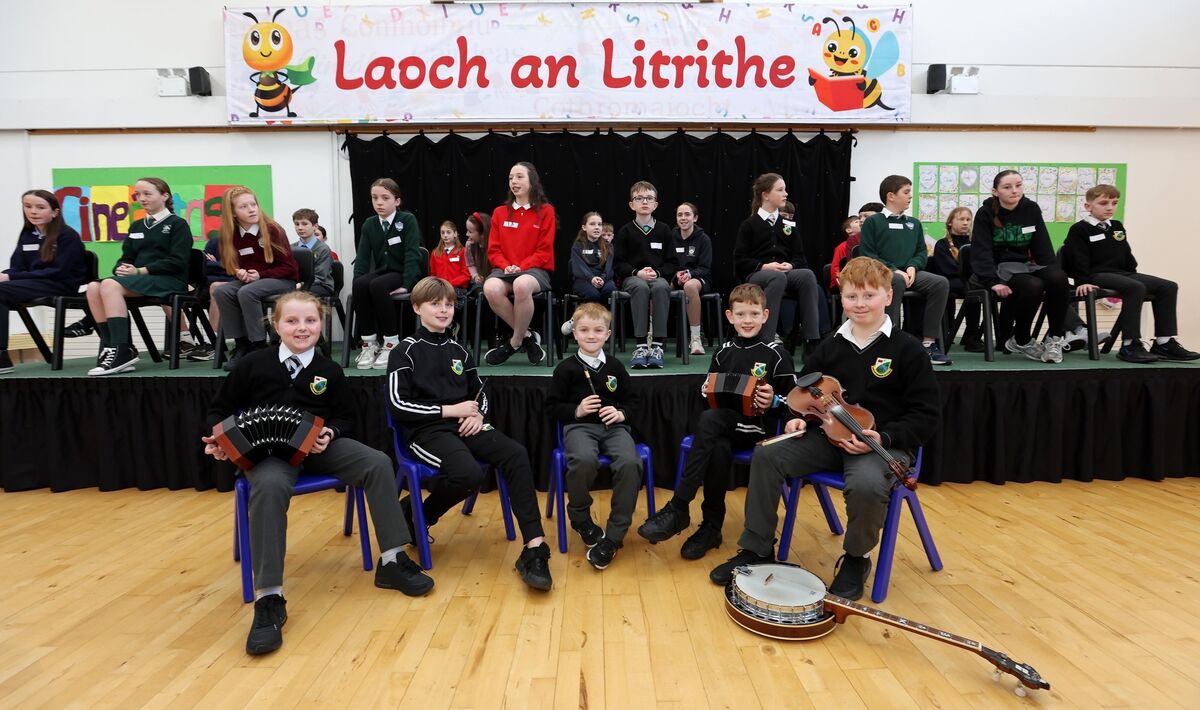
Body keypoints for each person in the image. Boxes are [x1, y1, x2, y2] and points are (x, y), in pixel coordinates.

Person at [203, 290, 432, 656]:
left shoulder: (329, 369)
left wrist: (332, 432)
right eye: (292, 321)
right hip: (270, 455)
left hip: (318, 449)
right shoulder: (252, 364)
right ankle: (269, 597)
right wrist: (219, 439)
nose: (302, 328)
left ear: (321, 325)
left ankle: (391, 560)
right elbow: (219, 411)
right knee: (269, 486)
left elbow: (346, 416)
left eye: (310, 320)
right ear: (275, 325)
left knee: (376, 462)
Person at [710, 257, 940, 601]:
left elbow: (926, 414)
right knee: (767, 455)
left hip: (882, 444)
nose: (859, 304)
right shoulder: (831, 344)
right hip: (828, 436)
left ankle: (856, 558)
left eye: (869, 295)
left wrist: (884, 437)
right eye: (851, 296)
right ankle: (757, 548)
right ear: (841, 298)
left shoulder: (908, 349)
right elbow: (805, 389)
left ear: (888, 296)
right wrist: (799, 415)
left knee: (866, 484)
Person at [387, 276, 554, 591]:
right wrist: (451, 411)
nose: (444, 310)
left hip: (466, 425)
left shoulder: (459, 350)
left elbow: (480, 394)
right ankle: (419, 514)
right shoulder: (404, 351)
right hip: (426, 431)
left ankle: (534, 547)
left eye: (449, 304)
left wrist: (478, 414)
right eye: (435, 304)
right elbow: (397, 405)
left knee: (515, 454)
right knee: (468, 474)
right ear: (416, 308)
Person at [637, 284, 794, 560]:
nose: (747, 320)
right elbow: (709, 395)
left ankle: (679, 505)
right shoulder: (723, 352)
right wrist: (704, 391)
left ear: (765, 315)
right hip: (726, 424)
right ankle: (711, 527)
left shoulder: (776, 353)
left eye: (754, 314)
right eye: (741, 314)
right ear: (730, 316)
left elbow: (794, 402)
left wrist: (774, 400)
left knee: (710, 422)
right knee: (717, 444)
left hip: (758, 428)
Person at [546, 302, 642, 569]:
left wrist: (621, 413)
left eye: (598, 330)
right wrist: (576, 410)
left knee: (631, 463)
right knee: (583, 460)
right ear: (575, 333)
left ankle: (614, 536)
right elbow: (551, 407)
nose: (591, 335)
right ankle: (580, 517)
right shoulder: (565, 369)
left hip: (615, 429)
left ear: (607, 334)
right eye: (585, 330)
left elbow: (634, 402)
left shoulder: (615, 366)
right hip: (579, 427)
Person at [1061, 185, 1199, 363]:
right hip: (1096, 274)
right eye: (1103, 203)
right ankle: (1130, 345)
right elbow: (1078, 258)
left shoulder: (1116, 226)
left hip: (1122, 273)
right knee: (1135, 287)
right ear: (1088, 206)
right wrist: (1082, 281)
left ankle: (1164, 343)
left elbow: (1126, 254)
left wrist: (1132, 271)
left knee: (1168, 286)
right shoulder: (1079, 229)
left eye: (1114, 203)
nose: (1110, 207)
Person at [84, 177, 192, 376]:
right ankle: (111, 346)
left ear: (165, 196)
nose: (141, 198)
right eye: (138, 194)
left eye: (147, 194)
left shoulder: (178, 224)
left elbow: (178, 261)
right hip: (141, 280)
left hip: (169, 280)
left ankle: (122, 349)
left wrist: (141, 271)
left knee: (109, 285)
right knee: (93, 287)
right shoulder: (136, 226)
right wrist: (121, 268)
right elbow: (127, 257)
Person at [970, 170, 1070, 363]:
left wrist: (1052, 271)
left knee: (1058, 278)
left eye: (1018, 185)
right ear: (995, 191)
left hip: (1024, 265)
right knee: (1033, 286)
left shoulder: (1031, 209)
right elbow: (980, 251)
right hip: (999, 267)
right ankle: (1021, 339)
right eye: (1007, 187)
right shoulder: (985, 213)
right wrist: (992, 282)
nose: (1014, 190)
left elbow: (1042, 245)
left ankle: (1054, 339)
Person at [859, 175, 953, 365]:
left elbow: (921, 252)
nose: (911, 196)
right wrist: (893, 269)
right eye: (906, 192)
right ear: (891, 196)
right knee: (896, 280)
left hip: (910, 273)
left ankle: (928, 343)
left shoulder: (914, 223)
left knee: (940, 283)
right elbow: (868, 254)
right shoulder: (873, 222)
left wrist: (913, 266)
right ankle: (890, 340)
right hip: (882, 273)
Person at [212, 186, 300, 371]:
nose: (251, 209)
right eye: (243, 206)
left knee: (247, 292)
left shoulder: (272, 230)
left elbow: (290, 268)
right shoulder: (230, 234)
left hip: (282, 279)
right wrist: (239, 272)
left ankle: (259, 345)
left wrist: (261, 275)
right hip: (254, 281)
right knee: (222, 291)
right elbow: (232, 265)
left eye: (253, 204)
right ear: (233, 213)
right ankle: (241, 344)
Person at [0, 190, 86, 375]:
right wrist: (6, 275)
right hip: (35, 283)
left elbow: (58, 271)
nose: (33, 211)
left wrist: (12, 278)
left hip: (59, 284)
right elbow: (17, 267)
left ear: (54, 212)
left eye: (40, 207)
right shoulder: (27, 234)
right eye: (28, 206)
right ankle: (2, 357)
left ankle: (1, 357)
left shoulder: (67, 235)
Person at [732, 173, 821, 348]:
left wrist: (791, 265)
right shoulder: (749, 225)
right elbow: (740, 259)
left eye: (785, 190)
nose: (785, 194)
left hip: (784, 273)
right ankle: (766, 340)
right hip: (758, 274)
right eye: (780, 190)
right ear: (766, 195)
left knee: (807, 275)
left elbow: (799, 256)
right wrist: (764, 266)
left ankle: (811, 339)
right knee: (777, 277)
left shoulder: (788, 225)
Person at [483, 162, 555, 366]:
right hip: (504, 269)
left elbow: (544, 250)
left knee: (521, 284)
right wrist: (506, 266)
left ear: (532, 181)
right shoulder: (499, 212)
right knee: (490, 288)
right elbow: (493, 250)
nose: (513, 181)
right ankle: (528, 337)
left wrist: (522, 267)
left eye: (519, 176)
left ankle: (514, 342)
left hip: (535, 270)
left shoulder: (546, 211)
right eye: (510, 177)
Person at [352, 178, 423, 370]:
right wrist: (358, 284)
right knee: (360, 284)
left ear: (397, 201)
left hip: (401, 273)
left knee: (377, 285)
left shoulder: (407, 220)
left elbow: (412, 254)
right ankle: (369, 343)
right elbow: (362, 258)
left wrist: (407, 284)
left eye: (385, 198)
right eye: (374, 198)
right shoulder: (369, 224)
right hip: (382, 273)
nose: (379, 202)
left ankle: (391, 342)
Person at [613, 181, 676, 369]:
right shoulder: (625, 231)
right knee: (640, 288)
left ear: (655, 204)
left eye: (649, 198)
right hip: (633, 278)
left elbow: (672, 263)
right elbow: (618, 263)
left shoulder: (664, 230)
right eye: (639, 198)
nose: (645, 202)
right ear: (632, 204)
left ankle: (657, 346)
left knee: (662, 287)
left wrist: (657, 272)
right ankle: (641, 346)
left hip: (658, 277)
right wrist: (637, 273)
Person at [930, 207, 983, 352]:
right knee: (973, 288)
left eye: (968, 219)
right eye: (961, 219)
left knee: (977, 287)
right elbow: (946, 269)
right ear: (950, 223)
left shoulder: (976, 243)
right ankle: (971, 336)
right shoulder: (942, 244)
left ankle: (972, 334)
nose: (965, 223)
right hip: (949, 280)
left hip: (970, 281)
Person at [561, 212, 616, 336]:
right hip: (584, 280)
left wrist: (602, 278)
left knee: (610, 291)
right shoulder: (578, 245)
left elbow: (609, 268)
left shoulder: (608, 246)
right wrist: (591, 278)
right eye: (592, 224)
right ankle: (578, 320)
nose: (597, 227)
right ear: (584, 227)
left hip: (604, 279)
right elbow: (578, 267)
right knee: (593, 294)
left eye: (599, 224)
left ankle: (602, 327)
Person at [671, 202, 714, 356]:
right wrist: (676, 275)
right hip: (676, 277)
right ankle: (652, 337)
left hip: (699, 278)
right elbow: (667, 263)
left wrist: (689, 274)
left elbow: (705, 268)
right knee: (658, 286)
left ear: (695, 218)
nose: (683, 218)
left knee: (689, 286)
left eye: (687, 214)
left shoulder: (703, 239)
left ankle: (696, 338)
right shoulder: (670, 237)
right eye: (680, 215)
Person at [428, 219, 471, 310]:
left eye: (448, 232)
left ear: (455, 234)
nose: (445, 235)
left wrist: (449, 284)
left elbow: (466, 275)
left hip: (457, 289)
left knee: (444, 298)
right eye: (442, 233)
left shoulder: (462, 251)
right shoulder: (435, 252)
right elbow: (433, 274)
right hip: (439, 289)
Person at [291, 208, 334, 298]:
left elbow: (320, 276)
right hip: (296, 285)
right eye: (297, 224)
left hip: (320, 285)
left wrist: (301, 284)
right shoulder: (291, 248)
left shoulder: (323, 249)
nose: (300, 228)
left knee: (300, 295)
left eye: (304, 224)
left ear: (315, 226)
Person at [829, 215, 862, 289]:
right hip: (843, 284)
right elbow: (836, 269)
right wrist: (843, 287)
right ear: (849, 230)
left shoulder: (866, 244)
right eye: (856, 221)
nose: (860, 222)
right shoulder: (842, 247)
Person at [464, 211, 491, 288]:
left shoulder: (494, 246)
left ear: (482, 234)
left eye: (470, 232)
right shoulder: (469, 245)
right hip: (480, 283)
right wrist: (475, 275)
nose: (466, 234)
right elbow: (470, 264)